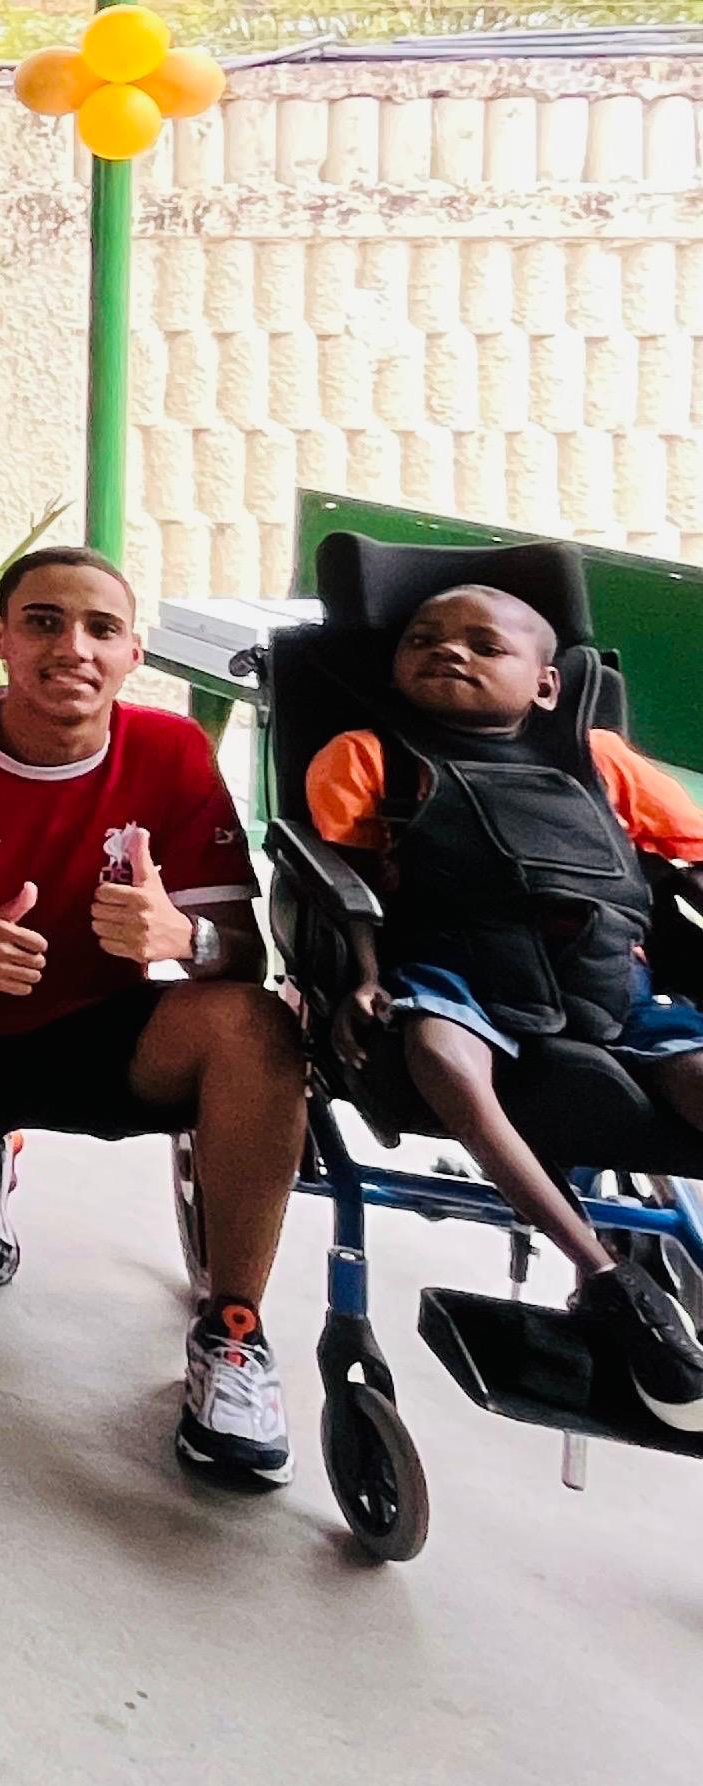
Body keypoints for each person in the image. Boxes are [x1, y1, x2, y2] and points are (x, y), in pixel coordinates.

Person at [0, 547, 307, 1480]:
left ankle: (234, 1331)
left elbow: (241, 961)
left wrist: (182, 935)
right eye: (43, 622)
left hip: (95, 1025)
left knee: (257, 1026)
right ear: (0, 637)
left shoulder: (171, 752)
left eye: (101, 629)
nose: (73, 647)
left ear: (133, 654)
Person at [301, 582, 703, 1426]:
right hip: (454, 972)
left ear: (547, 685)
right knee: (439, 1054)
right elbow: (346, 886)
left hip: (613, 982)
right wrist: (360, 976)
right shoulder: (368, 756)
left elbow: (689, 854)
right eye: (424, 639)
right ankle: (605, 1276)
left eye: (485, 646)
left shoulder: (600, 759)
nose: (449, 651)